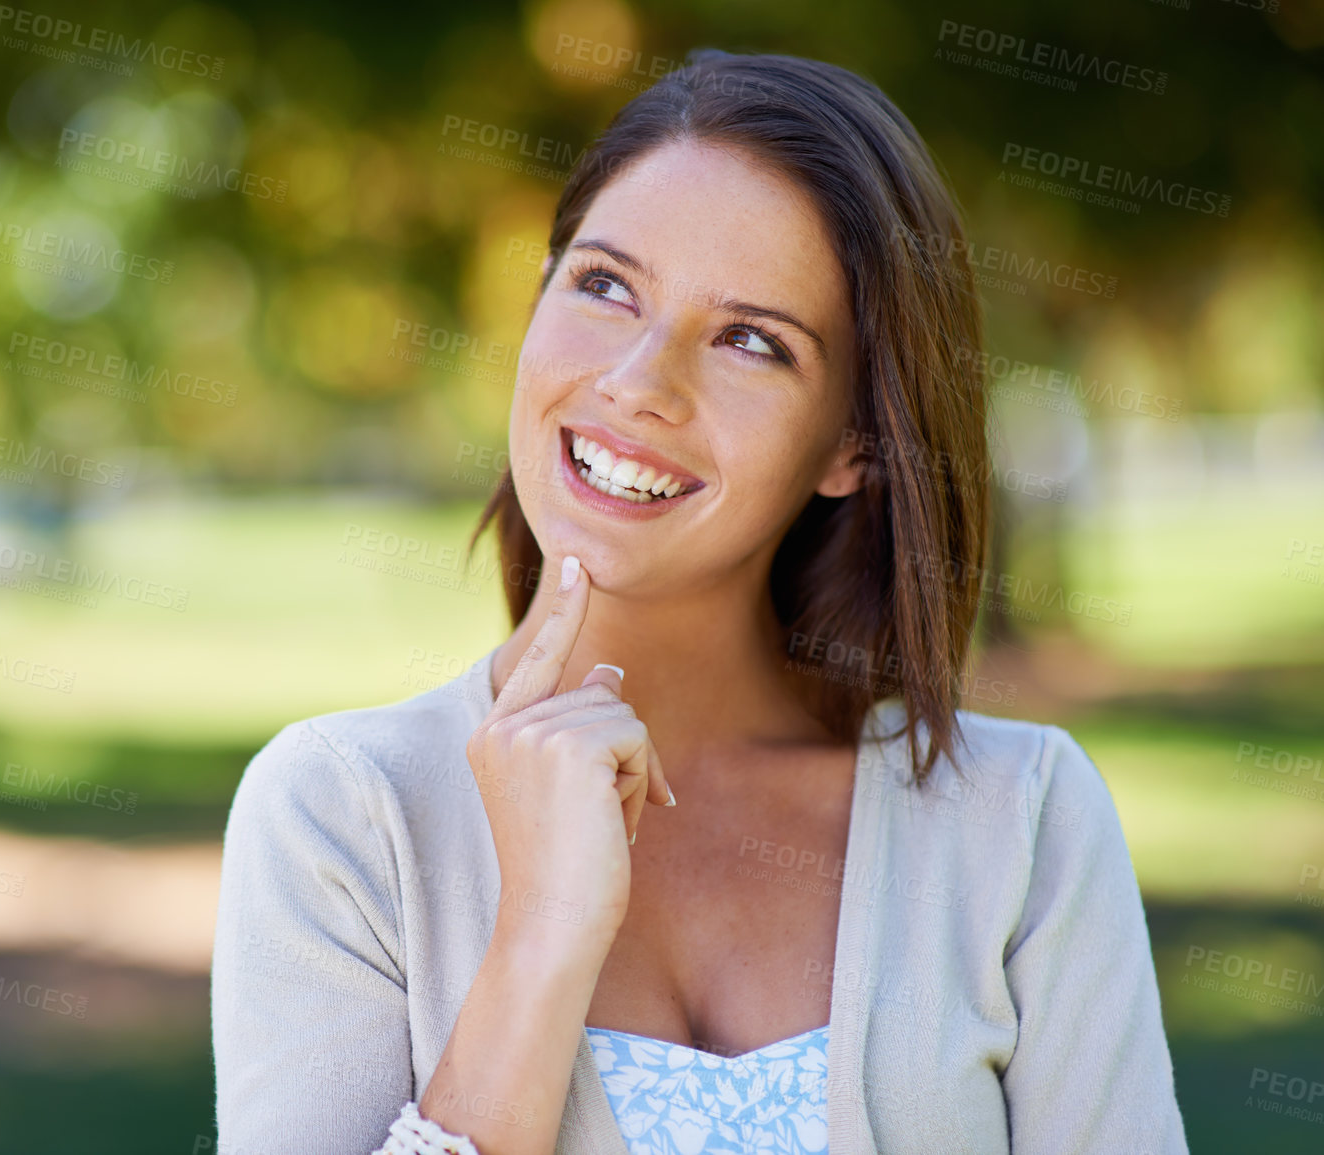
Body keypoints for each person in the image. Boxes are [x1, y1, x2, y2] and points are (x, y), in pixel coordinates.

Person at [211, 47, 1188, 1155]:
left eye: (751, 342)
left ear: (855, 442)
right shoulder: (344, 817)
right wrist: (540, 939)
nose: (637, 381)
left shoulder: (1023, 824)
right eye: (605, 285)